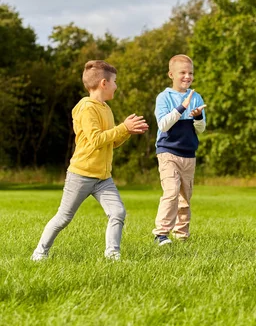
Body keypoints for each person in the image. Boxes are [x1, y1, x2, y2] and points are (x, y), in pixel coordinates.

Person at [31, 60, 149, 261]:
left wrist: (127, 131)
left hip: (103, 178)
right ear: (104, 83)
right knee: (64, 218)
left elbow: (110, 142)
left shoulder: (106, 108)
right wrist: (122, 127)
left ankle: (112, 255)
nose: (116, 86)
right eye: (114, 82)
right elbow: (95, 140)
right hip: (81, 175)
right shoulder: (86, 108)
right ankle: (40, 252)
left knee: (118, 212)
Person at [152, 54, 206, 245]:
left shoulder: (196, 97)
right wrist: (181, 107)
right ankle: (161, 233)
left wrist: (198, 117)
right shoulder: (164, 97)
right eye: (182, 72)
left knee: (185, 197)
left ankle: (181, 235)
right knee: (171, 191)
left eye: (190, 73)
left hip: (188, 153)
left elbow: (201, 129)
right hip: (167, 152)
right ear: (171, 74)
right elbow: (163, 125)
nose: (187, 76)